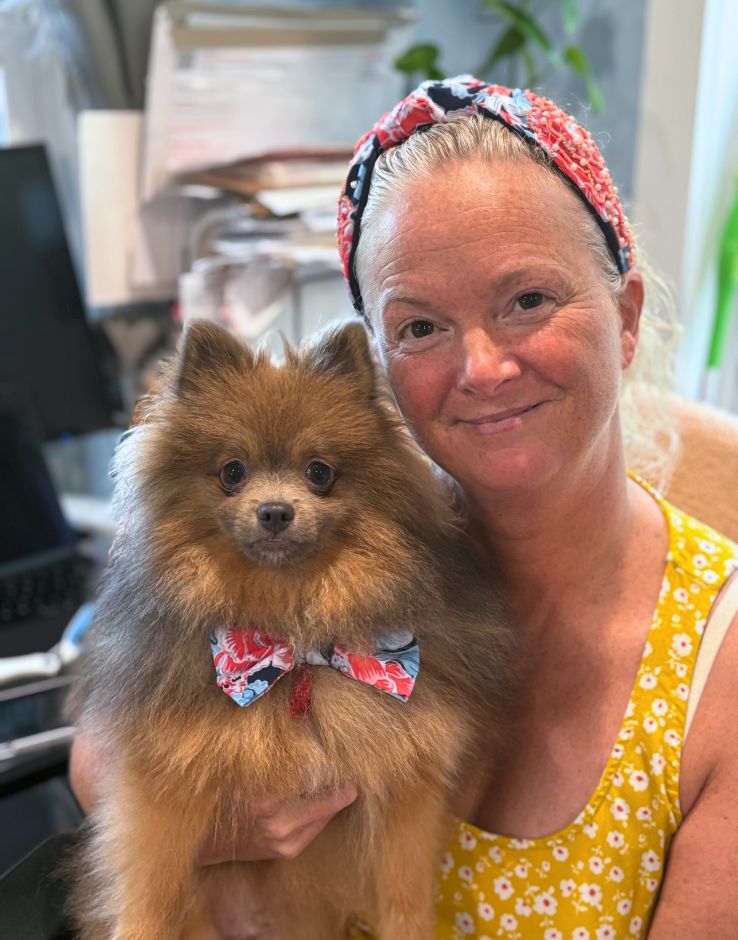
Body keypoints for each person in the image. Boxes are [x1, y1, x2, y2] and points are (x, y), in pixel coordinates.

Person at [71, 77, 738, 938]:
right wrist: (215, 828)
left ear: (626, 314)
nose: (483, 367)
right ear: (376, 370)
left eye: (528, 300)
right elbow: (104, 740)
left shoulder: (718, 673)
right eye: (420, 327)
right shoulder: (355, 565)